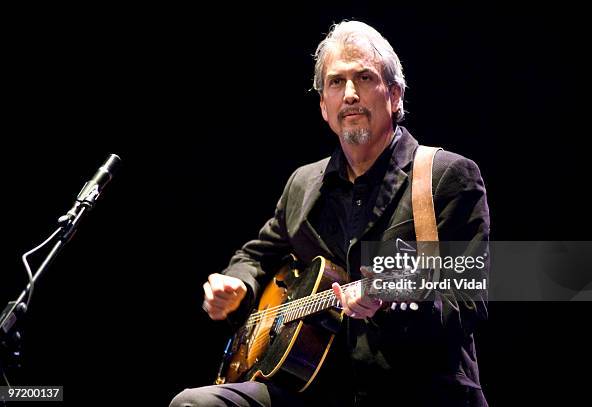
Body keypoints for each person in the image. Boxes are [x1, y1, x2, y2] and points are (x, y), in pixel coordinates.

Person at [170, 20, 489, 407]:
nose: (350, 94)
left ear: (395, 94)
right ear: (324, 107)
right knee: (194, 403)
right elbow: (255, 257)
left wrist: (388, 303)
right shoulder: (305, 184)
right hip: (313, 389)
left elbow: (468, 304)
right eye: (336, 83)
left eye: (364, 78)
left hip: (416, 388)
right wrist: (238, 285)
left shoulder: (444, 177)